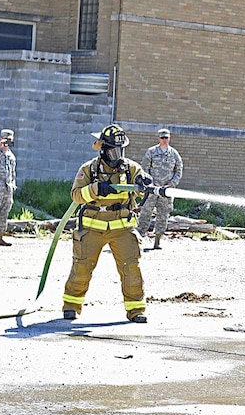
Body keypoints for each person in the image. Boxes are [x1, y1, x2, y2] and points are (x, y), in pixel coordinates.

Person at [62, 124, 153, 324]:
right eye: (113, 150)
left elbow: (139, 189)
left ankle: (136, 309)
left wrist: (144, 181)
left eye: (120, 150)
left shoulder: (130, 168)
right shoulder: (88, 169)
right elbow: (76, 195)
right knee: (82, 267)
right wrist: (95, 189)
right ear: (102, 149)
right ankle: (71, 306)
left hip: (122, 229)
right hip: (92, 228)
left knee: (131, 268)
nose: (117, 155)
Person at [137, 128, 183, 250]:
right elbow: (144, 169)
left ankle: (157, 241)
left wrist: (172, 183)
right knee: (145, 214)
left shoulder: (174, 154)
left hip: (166, 191)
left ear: (169, 138)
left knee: (163, 215)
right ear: (158, 138)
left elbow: (178, 171)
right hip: (152, 189)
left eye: (166, 138)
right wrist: (150, 183)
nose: (164, 140)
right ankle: (138, 239)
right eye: (162, 138)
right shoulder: (151, 152)